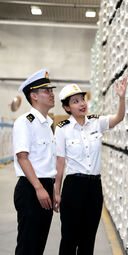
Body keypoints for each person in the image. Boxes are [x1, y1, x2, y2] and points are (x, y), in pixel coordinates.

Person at [54, 78, 127, 255]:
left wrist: (122, 98)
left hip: (94, 187)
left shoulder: (96, 122)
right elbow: (60, 162)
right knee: (70, 238)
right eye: (75, 101)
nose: (81, 104)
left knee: (88, 239)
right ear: (67, 108)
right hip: (73, 187)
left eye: (82, 99)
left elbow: (118, 118)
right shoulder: (62, 129)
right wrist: (57, 191)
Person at [13, 69, 57, 255]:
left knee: (38, 246)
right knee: (28, 247)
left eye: (51, 90)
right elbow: (22, 157)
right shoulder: (25, 122)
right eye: (47, 90)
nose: (52, 94)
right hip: (31, 189)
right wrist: (39, 188)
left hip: (44, 186)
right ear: (34, 96)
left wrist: (52, 188)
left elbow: (47, 161)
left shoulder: (47, 123)